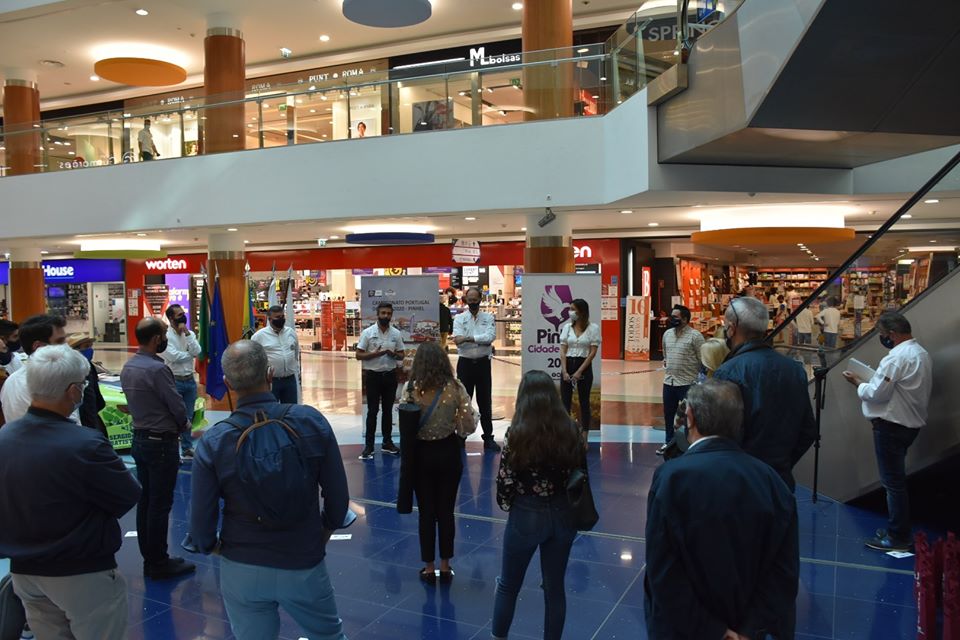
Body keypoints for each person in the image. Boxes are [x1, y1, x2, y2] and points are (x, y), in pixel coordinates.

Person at [190, 341, 352, 640]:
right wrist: (323, 533)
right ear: (270, 373)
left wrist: (218, 548)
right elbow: (338, 499)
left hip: (242, 564)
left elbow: (200, 524)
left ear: (227, 383)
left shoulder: (214, 442)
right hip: (303, 558)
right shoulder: (310, 421)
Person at [0, 344, 141, 640]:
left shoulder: (5, 437)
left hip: (25, 571)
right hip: (81, 571)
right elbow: (127, 496)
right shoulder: (86, 444)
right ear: (74, 391)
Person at [644, 380, 798, 639]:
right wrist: (749, 628)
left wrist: (714, 631)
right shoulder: (772, 482)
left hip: (683, 630)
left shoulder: (671, 479)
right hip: (747, 628)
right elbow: (784, 572)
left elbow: (663, 571)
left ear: (690, 417)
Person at [492, 371, 584, 640]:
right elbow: (579, 472)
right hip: (563, 512)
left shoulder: (517, 433)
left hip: (526, 512)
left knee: (508, 585)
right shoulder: (571, 429)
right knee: (555, 589)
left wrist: (508, 503)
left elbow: (506, 481)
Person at [842, 312, 932, 551]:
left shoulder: (895, 358)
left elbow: (877, 393)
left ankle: (898, 536)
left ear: (892, 334)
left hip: (891, 426)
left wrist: (858, 382)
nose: (883, 339)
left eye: (883, 335)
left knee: (893, 483)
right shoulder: (921, 353)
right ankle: (897, 530)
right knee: (896, 481)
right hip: (911, 424)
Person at [713, 296, 817, 490]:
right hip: (780, 479)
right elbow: (808, 430)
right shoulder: (794, 369)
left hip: (740, 482)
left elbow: (720, 436)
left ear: (732, 328)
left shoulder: (728, 371)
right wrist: (782, 463)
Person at [120, 317, 196, 580]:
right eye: (163, 335)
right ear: (156, 339)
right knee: (160, 504)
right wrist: (184, 424)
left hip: (140, 439)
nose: (165, 339)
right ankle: (159, 562)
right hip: (161, 443)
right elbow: (175, 405)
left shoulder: (129, 366)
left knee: (146, 501)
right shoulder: (157, 369)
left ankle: (150, 558)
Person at [402, 341, 477, 583]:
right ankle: (445, 566)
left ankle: (428, 567)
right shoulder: (455, 387)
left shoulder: (411, 389)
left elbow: (404, 423)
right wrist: (457, 429)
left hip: (421, 455)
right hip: (448, 452)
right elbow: (468, 422)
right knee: (446, 511)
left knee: (426, 513)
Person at [453, 287, 501, 452]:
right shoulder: (459, 318)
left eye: (475, 299)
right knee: (463, 402)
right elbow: (457, 341)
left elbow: (490, 337)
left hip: (483, 365)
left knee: (485, 402)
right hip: (465, 364)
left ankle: (488, 437)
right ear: (466, 300)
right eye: (470, 299)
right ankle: (461, 437)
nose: (472, 302)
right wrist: (477, 340)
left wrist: (468, 338)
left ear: (480, 299)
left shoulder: (488, 317)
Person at [355, 302, 405, 460]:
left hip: (390, 376)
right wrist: (376, 354)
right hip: (373, 377)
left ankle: (387, 443)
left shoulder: (396, 333)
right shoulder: (368, 333)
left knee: (388, 411)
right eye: (383, 313)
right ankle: (369, 446)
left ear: (391, 315)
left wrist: (393, 354)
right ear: (378, 314)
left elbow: (402, 354)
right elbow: (358, 355)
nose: (386, 316)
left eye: (388, 313)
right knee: (372, 411)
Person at [1, 314, 71, 424]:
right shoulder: (26, 384)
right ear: (38, 347)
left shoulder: (53, 376)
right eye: (59, 341)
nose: (66, 347)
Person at [658, 304, 704, 455]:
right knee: (668, 415)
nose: (671, 319)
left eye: (675, 317)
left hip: (688, 383)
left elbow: (703, 359)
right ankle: (668, 443)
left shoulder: (695, 336)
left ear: (684, 319)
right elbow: (666, 355)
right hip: (669, 382)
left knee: (689, 417)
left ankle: (690, 445)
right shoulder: (667, 334)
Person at [161, 304, 201, 458]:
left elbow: (198, 351)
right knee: (173, 416)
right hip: (174, 381)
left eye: (183, 313)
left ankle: (186, 448)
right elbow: (173, 357)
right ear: (171, 319)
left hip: (190, 380)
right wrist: (190, 355)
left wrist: (188, 335)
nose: (183, 317)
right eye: (179, 315)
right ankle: (170, 449)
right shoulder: (165, 336)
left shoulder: (189, 334)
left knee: (188, 416)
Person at [559, 298, 601, 432]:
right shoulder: (567, 327)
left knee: (584, 402)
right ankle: (565, 433)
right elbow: (563, 350)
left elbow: (592, 352)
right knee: (565, 402)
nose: (570, 312)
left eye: (573, 309)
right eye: (570, 309)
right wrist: (564, 370)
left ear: (581, 312)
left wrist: (579, 371)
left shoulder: (593, 328)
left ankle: (585, 435)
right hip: (568, 364)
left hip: (584, 366)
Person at [252, 305, 300, 404]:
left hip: (290, 380)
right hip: (270, 381)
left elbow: (295, 352)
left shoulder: (291, 332)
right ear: (270, 319)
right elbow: (253, 359)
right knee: (270, 408)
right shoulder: (259, 336)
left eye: (282, 316)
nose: (281, 319)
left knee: (291, 409)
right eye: (277, 317)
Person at [68, 333, 108, 438]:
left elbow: (96, 396)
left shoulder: (90, 367)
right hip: (81, 420)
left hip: (92, 416)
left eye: (90, 346)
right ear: (75, 350)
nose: (90, 350)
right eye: (86, 347)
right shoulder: (71, 370)